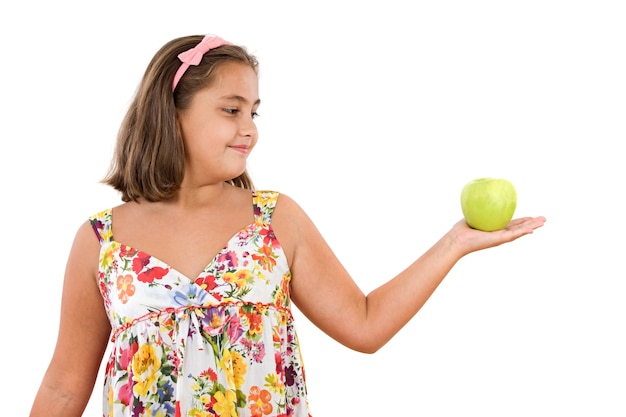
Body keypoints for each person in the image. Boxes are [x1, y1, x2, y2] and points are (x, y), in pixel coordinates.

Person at [29, 34, 546, 417]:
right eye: (231, 110)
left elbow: (365, 325)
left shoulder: (273, 219)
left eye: (254, 111)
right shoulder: (102, 239)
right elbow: (63, 386)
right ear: (172, 113)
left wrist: (454, 242)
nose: (249, 128)